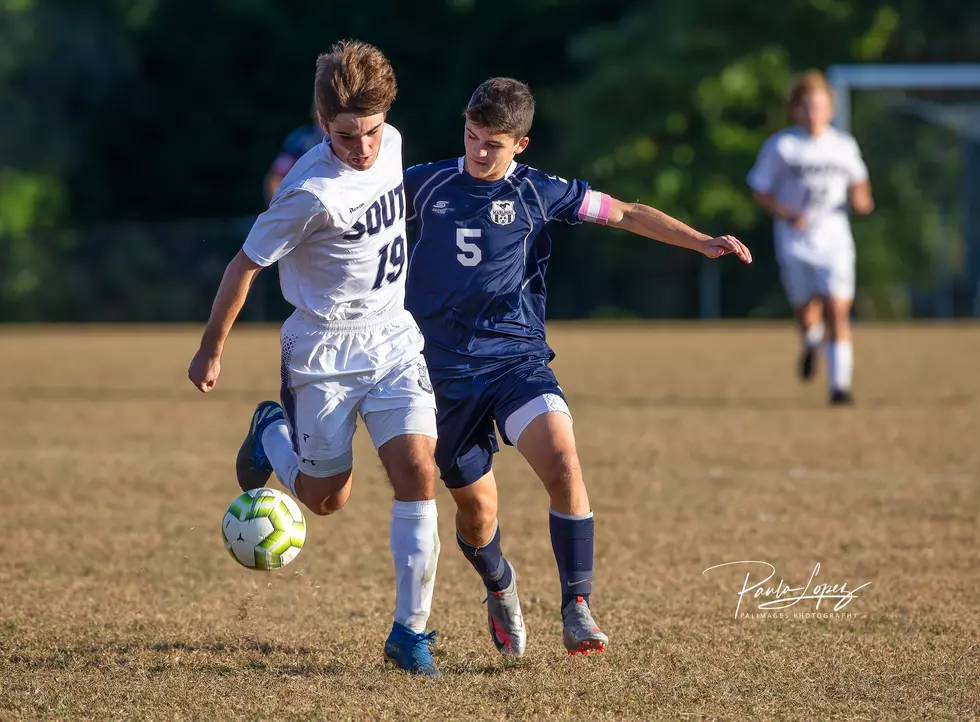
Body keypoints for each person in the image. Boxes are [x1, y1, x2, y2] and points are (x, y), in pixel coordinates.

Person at [403, 77, 752, 657]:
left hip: (516, 359)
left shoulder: (541, 192)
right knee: (476, 513)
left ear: (522, 145)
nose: (478, 151)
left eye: (493, 143)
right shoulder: (424, 183)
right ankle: (500, 584)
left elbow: (627, 213)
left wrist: (701, 241)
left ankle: (578, 607)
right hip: (442, 376)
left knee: (564, 457)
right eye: (471, 136)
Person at [187, 40, 442, 676]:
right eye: (346, 135)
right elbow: (243, 266)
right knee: (326, 500)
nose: (363, 149)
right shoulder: (307, 192)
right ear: (322, 124)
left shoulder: (397, 142)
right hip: (323, 351)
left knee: (418, 470)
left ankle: (410, 634)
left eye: (372, 131)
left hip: (392, 336)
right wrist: (209, 350)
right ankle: (271, 429)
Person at [747, 69, 874, 404]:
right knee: (807, 315)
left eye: (819, 105)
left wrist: (862, 198)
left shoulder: (843, 145)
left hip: (835, 240)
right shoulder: (783, 146)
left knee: (837, 309)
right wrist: (787, 213)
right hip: (795, 241)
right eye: (806, 106)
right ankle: (810, 343)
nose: (813, 112)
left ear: (831, 109)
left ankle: (839, 387)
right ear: (795, 110)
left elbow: (860, 181)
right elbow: (759, 189)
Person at [264, 106, 324, 205]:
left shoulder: (350, 140)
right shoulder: (301, 141)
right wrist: (277, 208)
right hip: (303, 206)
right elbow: (276, 176)